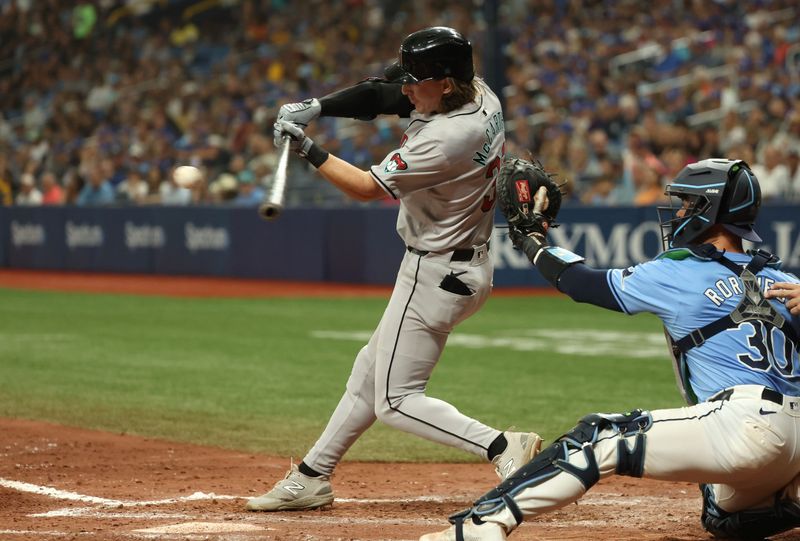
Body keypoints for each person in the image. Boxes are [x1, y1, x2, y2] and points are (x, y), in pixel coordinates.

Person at [420, 158, 800, 541]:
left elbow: (582, 283)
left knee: (597, 436)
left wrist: (531, 240)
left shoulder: (682, 269)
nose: (681, 211)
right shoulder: (785, 279)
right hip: (793, 443)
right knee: (721, 512)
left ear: (710, 211)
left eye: (688, 203)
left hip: (743, 426)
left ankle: (481, 527)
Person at [246, 26, 541, 512]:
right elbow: (385, 92)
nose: (406, 88)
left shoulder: (448, 138)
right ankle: (311, 476)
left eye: (416, 81)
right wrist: (318, 106)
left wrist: (308, 148)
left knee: (395, 400)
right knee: (369, 375)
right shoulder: (479, 93)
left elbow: (365, 187)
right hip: (457, 265)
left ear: (445, 83)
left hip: (436, 273)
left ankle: (501, 445)